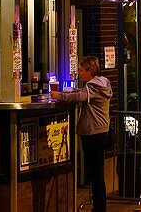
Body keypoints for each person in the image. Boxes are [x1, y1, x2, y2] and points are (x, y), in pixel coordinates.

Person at [51, 55, 112, 212]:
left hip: (93, 133)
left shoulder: (93, 87)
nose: (79, 73)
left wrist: (60, 95)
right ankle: (99, 206)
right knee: (97, 172)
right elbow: (83, 92)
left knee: (95, 173)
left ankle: (99, 208)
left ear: (90, 70)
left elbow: (80, 96)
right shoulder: (102, 84)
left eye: (82, 70)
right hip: (102, 131)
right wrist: (72, 90)